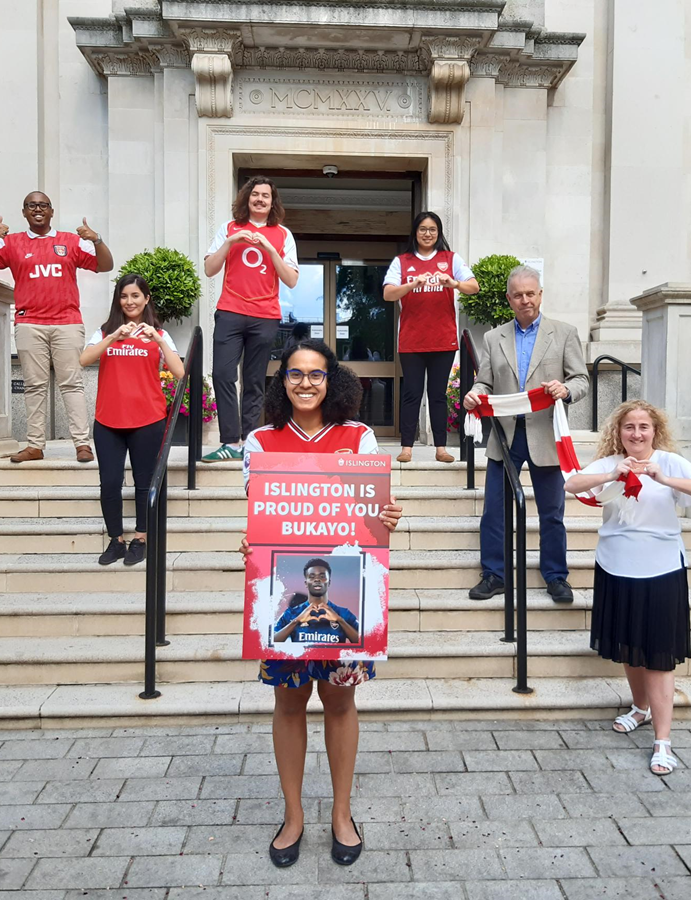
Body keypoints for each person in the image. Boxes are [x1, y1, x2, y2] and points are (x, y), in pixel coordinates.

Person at [239, 337, 402, 869]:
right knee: (288, 704)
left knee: (339, 702)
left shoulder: (359, 437)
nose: (305, 383)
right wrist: (251, 543)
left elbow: (369, 516)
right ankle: (293, 815)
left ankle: (341, 812)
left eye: (316, 374)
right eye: (294, 374)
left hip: (346, 585)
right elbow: (262, 517)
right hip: (281, 594)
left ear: (332, 380)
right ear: (281, 380)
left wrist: (385, 520)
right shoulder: (260, 441)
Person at [563, 400, 691, 775]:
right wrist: (611, 474)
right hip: (616, 565)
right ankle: (640, 708)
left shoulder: (668, 462)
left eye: (643, 427)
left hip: (662, 568)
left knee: (659, 653)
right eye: (629, 427)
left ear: (655, 431)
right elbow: (571, 483)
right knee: (630, 647)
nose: (636, 433)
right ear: (619, 432)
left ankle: (663, 741)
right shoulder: (609, 464)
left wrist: (662, 478)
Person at [462, 265, 589, 604]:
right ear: (509, 299)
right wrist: (473, 393)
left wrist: (565, 389)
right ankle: (494, 575)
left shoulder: (564, 333)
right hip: (504, 436)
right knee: (494, 511)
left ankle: (556, 577)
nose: (525, 300)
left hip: (545, 434)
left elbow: (582, 380)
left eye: (530, 293)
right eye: (518, 295)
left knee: (551, 511)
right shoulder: (493, 337)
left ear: (540, 295)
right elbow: (484, 381)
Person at [0, 191, 114, 463]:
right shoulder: (11, 243)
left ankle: (82, 444)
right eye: (31, 206)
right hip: (29, 323)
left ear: (51, 211)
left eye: (43, 205)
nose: (38, 209)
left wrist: (97, 239)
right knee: (34, 386)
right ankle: (35, 445)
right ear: (24, 212)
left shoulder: (70, 242)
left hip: (67, 323)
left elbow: (105, 265)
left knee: (71, 384)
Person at [78, 274, 185, 565]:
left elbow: (179, 372)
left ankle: (141, 538)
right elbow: (84, 360)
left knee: (143, 483)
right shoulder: (105, 332)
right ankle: (116, 540)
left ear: (146, 299)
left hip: (148, 420)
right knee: (110, 482)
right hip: (108, 421)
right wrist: (114, 337)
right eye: (124, 296)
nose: (130, 302)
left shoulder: (159, 334)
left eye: (136, 296)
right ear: (118, 300)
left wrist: (159, 341)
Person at [202, 176, 299, 462]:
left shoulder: (283, 234)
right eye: (255, 194)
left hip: (265, 316)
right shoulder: (228, 229)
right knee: (222, 374)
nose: (259, 199)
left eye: (265, 196)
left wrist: (270, 249)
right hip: (230, 311)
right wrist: (231, 242)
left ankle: (247, 442)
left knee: (254, 380)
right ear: (247, 198)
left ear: (272, 201)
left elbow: (291, 279)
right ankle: (229, 441)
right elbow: (209, 269)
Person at [382, 211, 479, 464]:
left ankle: (441, 448)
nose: (428, 234)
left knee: (438, 394)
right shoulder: (402, 261)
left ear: (439, 233)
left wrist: (453, 283)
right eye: (423, 229)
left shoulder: (451, 258)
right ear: (415, 232)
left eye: (432, 229)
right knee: (412, 393)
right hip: (411, 340)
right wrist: (411, 285)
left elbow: (474, 287)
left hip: (443, 340)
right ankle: (406, 447)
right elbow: (389, 294)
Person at [273, 558, 361, 644]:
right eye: (312, 577)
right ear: (306, 583)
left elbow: (366, 643)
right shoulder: (291, 613)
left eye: (322, 576)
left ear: (329, 582)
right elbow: (270, 642)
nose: (317, 579)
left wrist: (340, 620)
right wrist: (297, 621)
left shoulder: (344, 613)